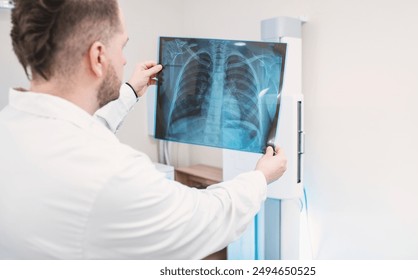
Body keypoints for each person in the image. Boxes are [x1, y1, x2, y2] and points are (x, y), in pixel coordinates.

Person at [0, 0, 287, 259]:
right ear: (98, 56)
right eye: (121, 46)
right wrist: (261, 177)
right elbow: (205, 220)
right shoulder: (113, 172)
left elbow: (80, 134)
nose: (124, 60)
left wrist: (129, 93)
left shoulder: (12, 125)